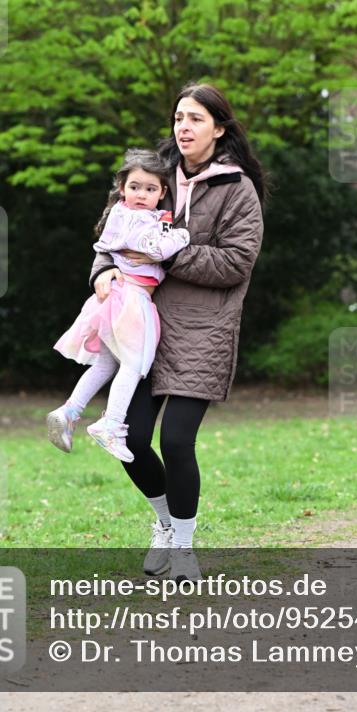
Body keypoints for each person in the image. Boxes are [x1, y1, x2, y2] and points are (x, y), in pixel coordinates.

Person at [90, 83, 266, 582]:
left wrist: (167, 253)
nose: (183, 127)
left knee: (177, 439)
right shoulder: (156, 175)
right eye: (178, 118)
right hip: (140, 323)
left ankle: (185, 549)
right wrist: (101, 273)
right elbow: (114, 231)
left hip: (202, 329)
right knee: (129, 435)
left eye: (195, 119)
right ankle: (165, 523)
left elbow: (236, 262)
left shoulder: (238, 189)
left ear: (220, 128)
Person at [47, 150, 190, 462]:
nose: (141, 195)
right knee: (135, 364)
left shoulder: (140, 216)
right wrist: (180, 236)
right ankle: (111, 424)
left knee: (106, 364)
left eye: (151, 189)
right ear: (122, 188)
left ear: (162, 192)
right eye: (135, 187)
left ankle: (70, 411)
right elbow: (152, 248)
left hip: (119, 299)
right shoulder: (126, 216)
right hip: (132, 299)